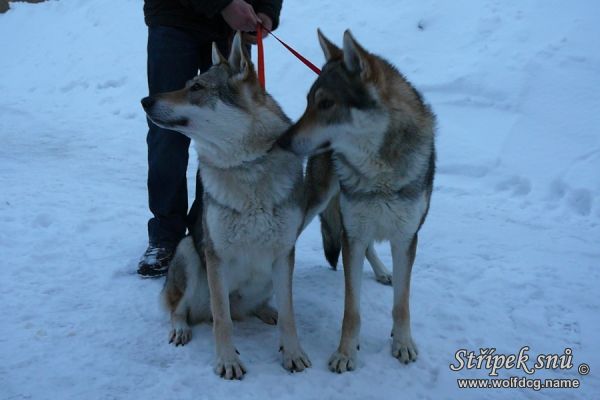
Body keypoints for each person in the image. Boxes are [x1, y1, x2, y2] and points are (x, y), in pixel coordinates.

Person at [138, 0, 283, 277]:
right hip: (174, 17)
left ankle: (204, 234)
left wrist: (266, 10)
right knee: (167, 129)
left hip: (232, 26)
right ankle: (165, 235)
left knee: (227, 134)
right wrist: (224, 3)